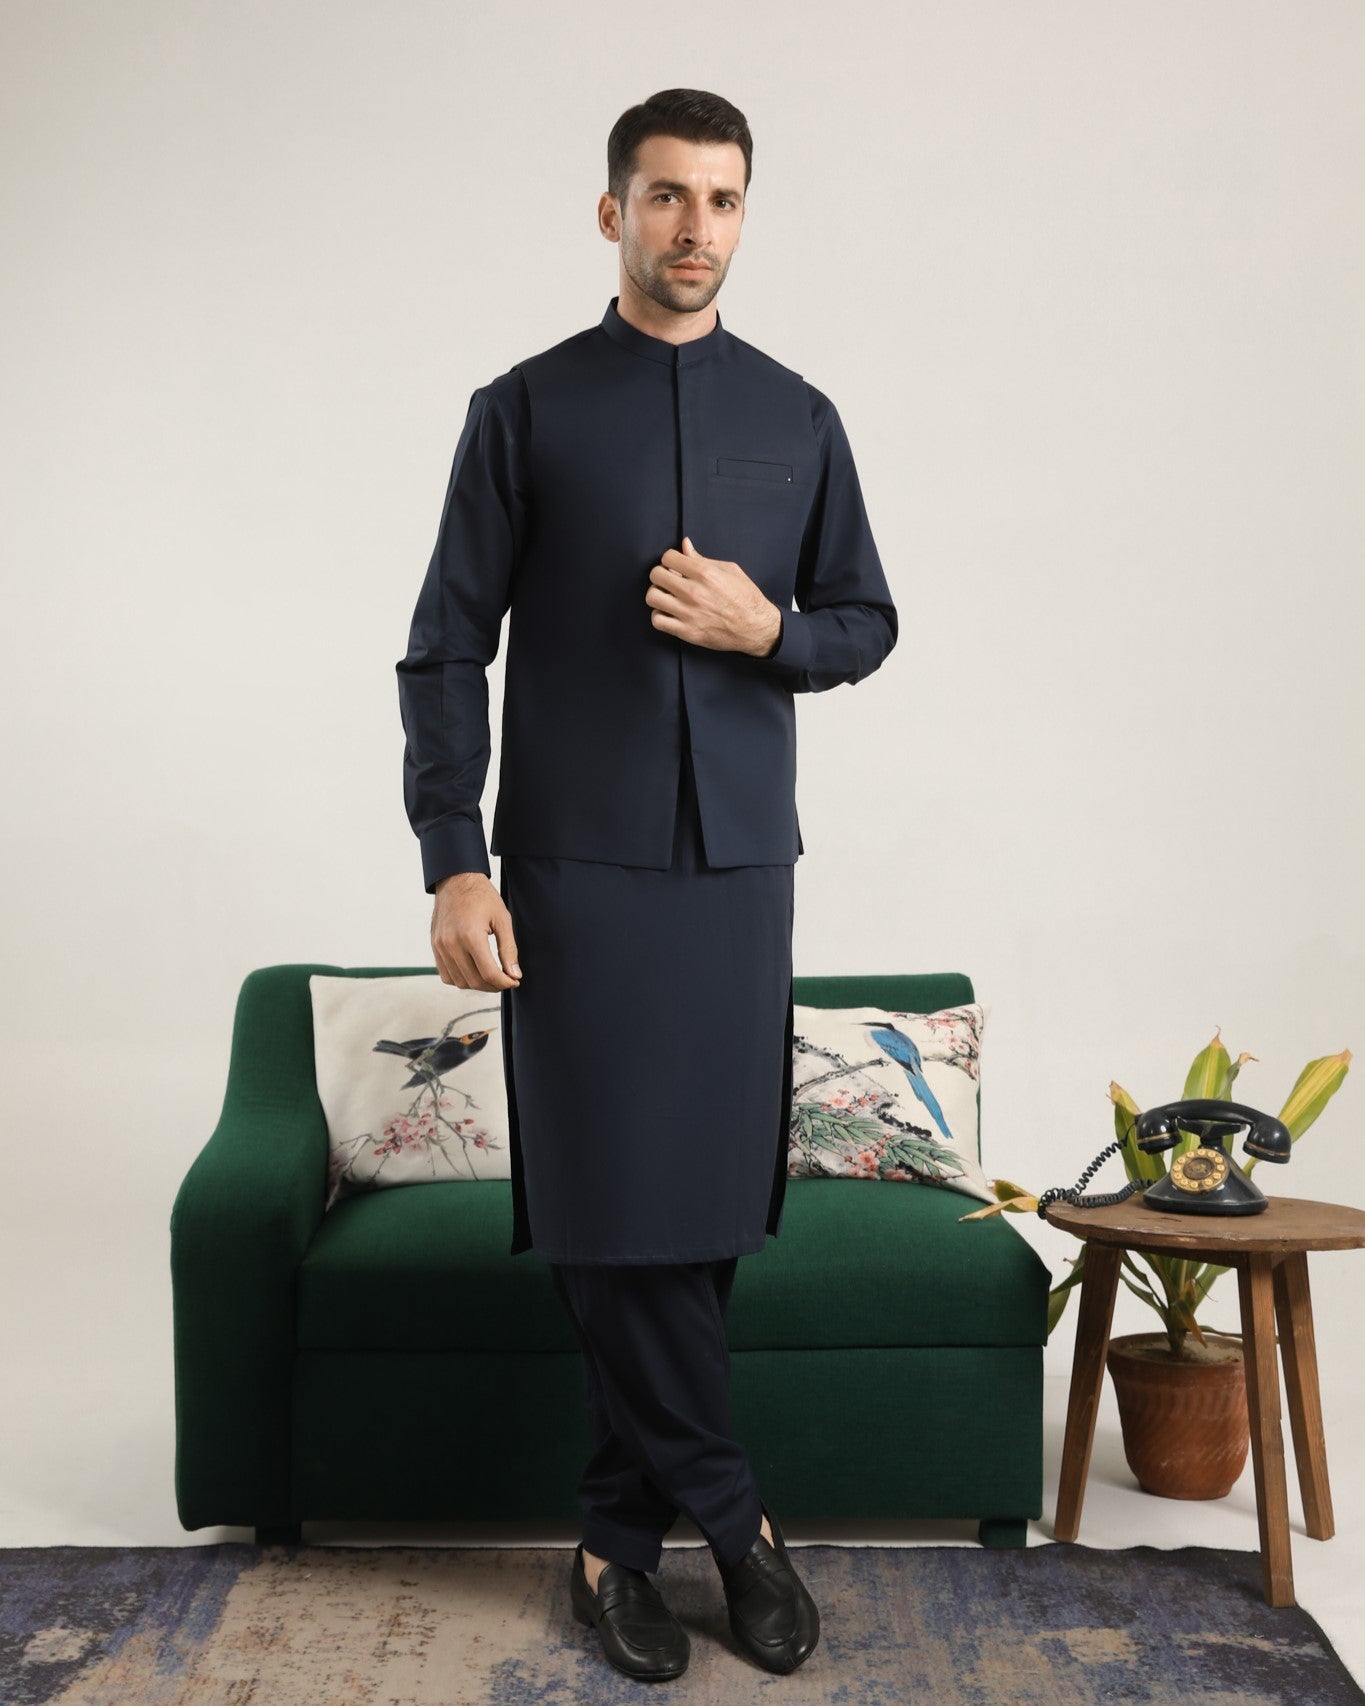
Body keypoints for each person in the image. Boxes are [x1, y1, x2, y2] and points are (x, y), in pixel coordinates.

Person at [396, 87, 897, 1681]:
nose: (695, 226)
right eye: (667, 195)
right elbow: (443, 648)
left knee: (693, 1217)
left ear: (745, 216)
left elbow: (866, 619)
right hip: (571, 870)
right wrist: (454, 857)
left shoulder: (799, 416)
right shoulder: (523, 409)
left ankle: (614, 1541)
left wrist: (771, 632)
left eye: (722, 198)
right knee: (607, 1201)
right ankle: (739, 1527)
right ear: (611, 211)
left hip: (738, 870)